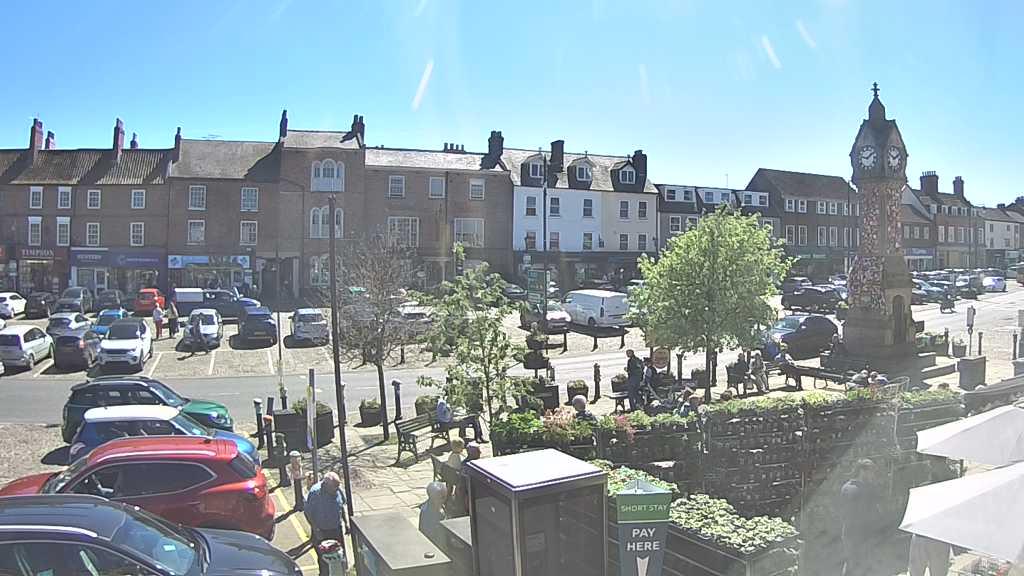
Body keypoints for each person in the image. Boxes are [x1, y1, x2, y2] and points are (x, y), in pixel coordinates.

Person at [840, 459, 883, 576]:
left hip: (848, 532)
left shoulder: (846, 487)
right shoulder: (865, 489)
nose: (873, 475)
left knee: (850, 562)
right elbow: (872, 512)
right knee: (863, 564)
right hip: (863, 533)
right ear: (862, 471)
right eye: (871, 472)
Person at [304, 472, 350, 576]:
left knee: (339, 556)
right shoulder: (315, 493)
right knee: (324, 560)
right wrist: (316, 530)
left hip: (336, 529)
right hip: (322, 532)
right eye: (334, 488)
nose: (336, 490)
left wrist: (346, 523)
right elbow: (308, 513)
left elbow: (341, 506)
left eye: (338, 487)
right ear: (326, 485)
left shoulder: (337, 490)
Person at [418, 481, 448, 550]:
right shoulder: (427, 513)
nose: (444, 500)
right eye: (441, 497)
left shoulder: (439, 505)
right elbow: (428, 534)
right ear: (432, 497)